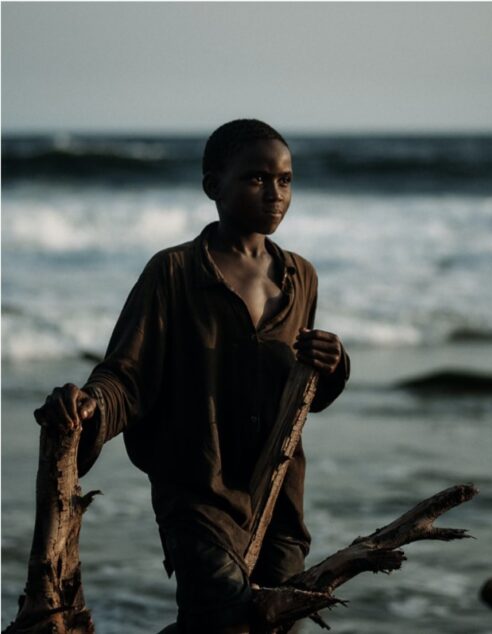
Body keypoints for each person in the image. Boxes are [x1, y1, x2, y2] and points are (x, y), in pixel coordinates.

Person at [33, 119, 350, 633]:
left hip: (280, 492)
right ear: (212, 186)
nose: (275, 193)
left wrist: (334, 362)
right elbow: (128, 374)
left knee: (279, 623)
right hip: (198, 492)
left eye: (285, 180)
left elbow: (305, 392)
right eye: (256, 179)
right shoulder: (175, 272)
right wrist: (90, 404)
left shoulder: (301, 276)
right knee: (223, 618)